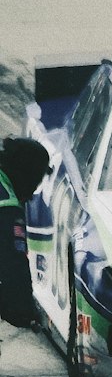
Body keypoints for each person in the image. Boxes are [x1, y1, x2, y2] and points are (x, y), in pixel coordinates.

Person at [0, 136, 49, 334]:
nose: (32, 194)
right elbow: (13, 263)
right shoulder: (6, 206)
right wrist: (24, 311)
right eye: (36, 181)